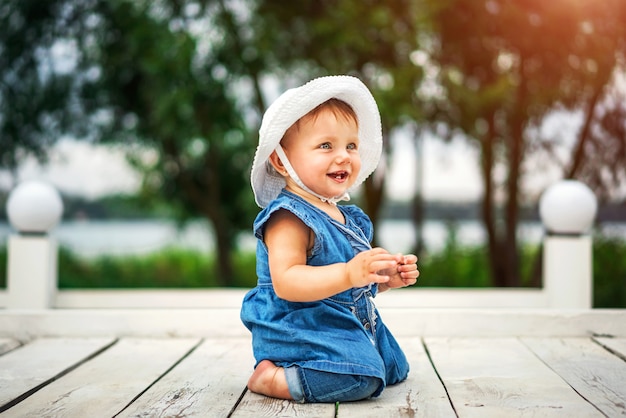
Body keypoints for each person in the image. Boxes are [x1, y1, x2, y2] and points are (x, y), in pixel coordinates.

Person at [240, 75, 419, 403]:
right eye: (326, 145)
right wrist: (350, 273)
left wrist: (382, 279)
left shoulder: (347, 217)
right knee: (361, 378)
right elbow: (287, 281)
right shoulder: (289, 217)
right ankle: (275, 377)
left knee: (394, 367)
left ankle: (347, 359)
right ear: (281, 161)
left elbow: (348, 284)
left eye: (351, 145)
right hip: (300, 327)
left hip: (345, 320)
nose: (344, 156)